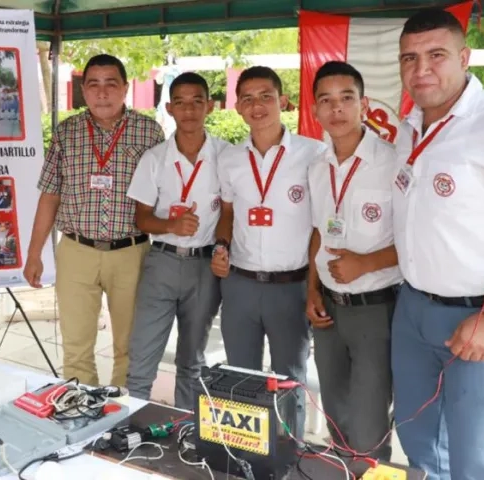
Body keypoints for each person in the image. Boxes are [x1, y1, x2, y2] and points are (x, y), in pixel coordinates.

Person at [391, 9, 484, 479]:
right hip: (411, 309)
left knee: (475, 453)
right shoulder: (407, 128)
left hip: (475, 316)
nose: (421, 70)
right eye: (409, 58)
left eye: (436, 55)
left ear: (464, 56)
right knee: (418, 441)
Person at [24, 54, 165, 387]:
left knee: (129, 345)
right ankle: (82, 409)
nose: (103, 93)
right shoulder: (66, 132)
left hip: (131, 253)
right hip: (77, 251)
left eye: (111, 84)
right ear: (83, 91)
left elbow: (164, 196)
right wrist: (34, 254)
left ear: (126, 89)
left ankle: (121, 416)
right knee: (75, 346)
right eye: (94, 85)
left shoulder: (149, 132)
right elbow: (50, 195)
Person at [211, 66, 325, 437]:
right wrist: (222, 245)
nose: (256, 106)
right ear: (238, 107)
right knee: (240, 373)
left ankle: (288, 450)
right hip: (241, 284)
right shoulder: (228, 158)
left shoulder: (314, 154)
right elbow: (227, 212)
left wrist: (312, 287)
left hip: (291, 286)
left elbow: (321, 226)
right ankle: (243, 451)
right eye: (247, 98)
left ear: (283, 101)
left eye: (265, 96)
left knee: (289, 378)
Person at [306, 61, 400, 460]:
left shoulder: (394, 162)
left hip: (375, 306)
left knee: (369, 418)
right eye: (326, 101)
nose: (336, 109)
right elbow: (317, 233)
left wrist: (367, 263)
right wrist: (310, 290)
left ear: (364, 104)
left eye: (346, 99)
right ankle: (344, 469)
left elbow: (416, 239)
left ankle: (368, 468)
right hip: (328, 305)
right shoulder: (316, 164)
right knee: (336, 410)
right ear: (315, 110)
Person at [125, 72, 228, 410]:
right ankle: (132, 426)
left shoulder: (226, 157)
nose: (189, 111)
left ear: (210, 106)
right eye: (180, 103)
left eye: (197, 102)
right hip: (162, 262)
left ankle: (186, 433)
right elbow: (141, 219)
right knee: (142, 353)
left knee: (193, 360)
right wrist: (171, 224)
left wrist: (222, 247)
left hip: (205, 266)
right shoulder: (154, 159)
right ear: (169, 108)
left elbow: (230, 211)